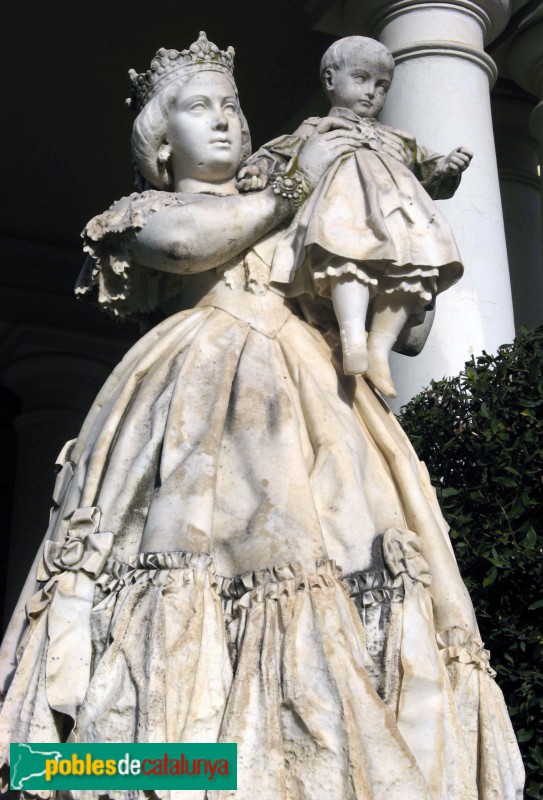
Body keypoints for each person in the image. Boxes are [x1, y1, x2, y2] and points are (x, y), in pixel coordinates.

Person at [0, 32, 523, 800]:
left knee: (347, 573)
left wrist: (399, 229)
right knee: (186, 583)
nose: (223, 120)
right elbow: (189, 244)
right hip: (198, 400)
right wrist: (296, 186)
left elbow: (410, 335)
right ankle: (163, 768)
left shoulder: (300, 212)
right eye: (198, 107)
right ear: (159, 140)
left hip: (318, 409)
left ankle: (302, 766)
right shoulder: (144, 211)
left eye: (231, 106)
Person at [238, 36, 472, 397]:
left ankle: (379, 347)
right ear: (331, 80)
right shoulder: (317, 129)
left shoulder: (398, 139)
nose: (372, 92)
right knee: (346, 258)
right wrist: (258, 169)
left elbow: (429, 170)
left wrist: (446, 167)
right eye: (361, 78)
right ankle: (352, 338)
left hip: (398, 221)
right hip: (344, 214)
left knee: (415, 269)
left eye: (382, 86)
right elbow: (280, 153)